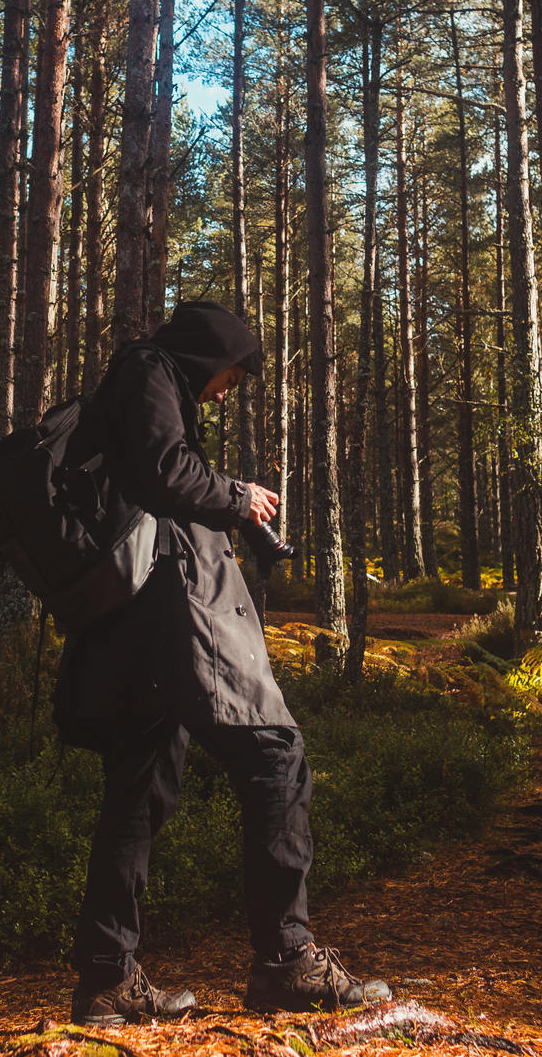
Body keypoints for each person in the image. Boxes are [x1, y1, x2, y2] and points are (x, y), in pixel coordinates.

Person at [53, 300, 391, 1026]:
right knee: (276, 752)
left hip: (143, 613)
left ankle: (106, 980)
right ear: (209, 356)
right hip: (173, 602)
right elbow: (164, 473)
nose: (227, 392)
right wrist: (238, 495)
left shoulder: (147, 382)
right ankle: (286, 961)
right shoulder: (147, 370)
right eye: (230, 378)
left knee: (140, 785)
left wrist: (231, 506)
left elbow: (161, 472)